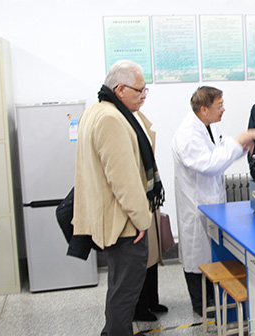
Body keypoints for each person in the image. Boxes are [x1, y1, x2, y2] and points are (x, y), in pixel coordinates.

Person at [73, 60, 164, 336]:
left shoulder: (96, 110)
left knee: (118, 287)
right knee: (125, 294)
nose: (143, 96)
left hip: (110, 218)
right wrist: (141, 220)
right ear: (120, 89)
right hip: (124, 224)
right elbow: (123, 179)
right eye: (139, 90)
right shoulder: (111, 119)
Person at [172, 86, 255, 317]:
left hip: (211, 201)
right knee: (196, 254)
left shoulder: (209, 126)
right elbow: (210, 164)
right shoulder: (187, 134)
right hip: (196, 203)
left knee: (208, 253)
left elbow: (221, 151)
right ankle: (200, 304)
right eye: (219, 106)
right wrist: (238, 142)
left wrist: (241, 147)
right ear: (204, 109)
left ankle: (212, 298)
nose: (223, 110)